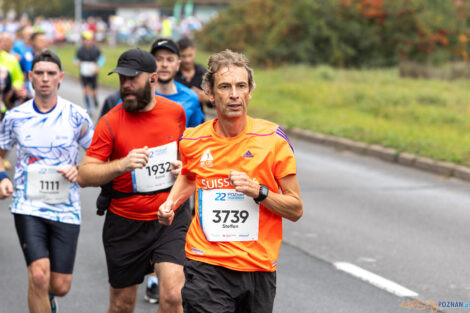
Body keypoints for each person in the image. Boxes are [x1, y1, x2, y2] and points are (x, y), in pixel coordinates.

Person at [158, 50, 303, 313]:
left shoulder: (273, 140)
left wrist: (259, 191)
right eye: (225, 86)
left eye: (241, 86)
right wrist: (171, 202)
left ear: (249, 92)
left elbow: (295, 208)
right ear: (211, 95)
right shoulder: (192, 139)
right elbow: (190, 175)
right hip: (206, 264)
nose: (234, 94)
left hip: (258, 267)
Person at [77, 48, 190, 313]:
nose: (126, 85)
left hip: (169, 216)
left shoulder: (175, 112)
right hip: (125, 222)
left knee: (174, 297)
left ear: (152, 78)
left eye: (133, 79)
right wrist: (122, 164)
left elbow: (187, 158)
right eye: (122, 79)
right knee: (122, 305)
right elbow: (84, 175)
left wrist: (181, 166)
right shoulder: (110, 121)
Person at [0, 49, 93, 313]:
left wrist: (80, 169)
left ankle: (47, 299)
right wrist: (2, 178)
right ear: (30, 76)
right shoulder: (15, 117)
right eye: (39, 73)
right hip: (27, 205)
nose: (44, 79)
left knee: (60, 285)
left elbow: (98, 153)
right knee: (39, 276)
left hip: (67, 206)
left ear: (60, 77)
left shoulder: (76, 116)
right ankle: (39, 292)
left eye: (50, 74)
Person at [150, 38, 204, 127]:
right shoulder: (137, 95)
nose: (164, 64)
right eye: (159, 59)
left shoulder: (191, 97)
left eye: (170, 59)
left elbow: (196, 136)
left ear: (178, 64)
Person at [175, 37, 211, 111]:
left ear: (194, 52)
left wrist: (207, 98)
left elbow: (215, 103)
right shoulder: (173, 74)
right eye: (183, 56)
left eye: (190, 55)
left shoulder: (203, 72)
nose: (187, 60)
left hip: (199, 120)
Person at [74, 30, 105, 114]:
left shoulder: (96, 49)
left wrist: (97, 66)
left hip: (93, 71)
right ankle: (89, 107)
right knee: (85, 90)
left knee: (93, 90)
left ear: (91, 40)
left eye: (88, 39)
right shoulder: (80, 50)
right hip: (84, 71)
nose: (86, 41)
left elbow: (102, 58)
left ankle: (94, 98)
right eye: (84, 39)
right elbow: (76, 59)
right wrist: (77, 62)